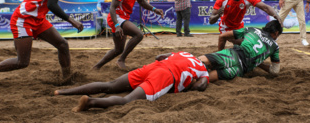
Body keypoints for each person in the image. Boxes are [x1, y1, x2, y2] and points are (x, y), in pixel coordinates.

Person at [0, 0, 83, 79]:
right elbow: (52, 4)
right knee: (22, 62)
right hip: (23, 19)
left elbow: (50, 3)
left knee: (62, 44)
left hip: (37, 19)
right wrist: (72, 21)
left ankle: (67, 78)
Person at [55, 51, 209, 112]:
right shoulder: (203, 70)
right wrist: (189, 85)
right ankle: (90, 102)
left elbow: (160, 56)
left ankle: (62, 92)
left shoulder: (185, 53)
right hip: (165, 76)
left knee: (110, 85)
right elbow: (201, 86)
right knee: (127, 100)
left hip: (153, 67)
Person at [93, 0, 163, 70]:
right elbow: (112, 8)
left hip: (123, 18)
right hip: (116, 18)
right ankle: (121, 60)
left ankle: (97, 66)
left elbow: (142, 2)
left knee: (118, 50)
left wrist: (154, 9)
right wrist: (117, 25)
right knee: (139, 34)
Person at [198, 20, 282, 82]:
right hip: (240, 70)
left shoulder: (252, 29)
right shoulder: (275, 47)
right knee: (206, 78)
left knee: (197, 62)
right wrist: (257, 63)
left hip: (232, 55)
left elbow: (222, 36)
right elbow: (275, 71)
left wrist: (219, 53)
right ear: (276, 33)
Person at [209, 0, 281, 34]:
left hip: (239, 26)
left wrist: (276, 15)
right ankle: (219, 52)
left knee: (240, 44)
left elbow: (265, 8)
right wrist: (218, 15)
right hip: (225, 26)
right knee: (223, 39)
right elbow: (211, 21)